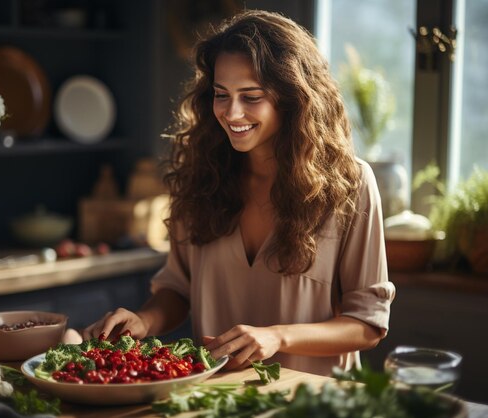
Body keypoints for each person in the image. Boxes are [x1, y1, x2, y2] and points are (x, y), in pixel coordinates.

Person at [68, 9, 395, 376]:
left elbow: (366, 325)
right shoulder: (199, 177)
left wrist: (278, 338)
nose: (232, 112)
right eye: (221, 94)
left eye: (251, 96)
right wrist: (144, 320)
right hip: (216, 398)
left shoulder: (349, 185)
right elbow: (178, 288)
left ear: (292, 98)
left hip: (312, 403)